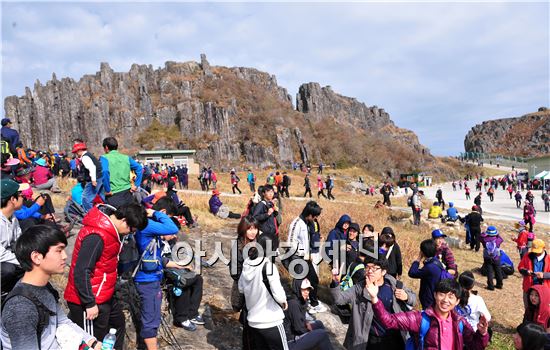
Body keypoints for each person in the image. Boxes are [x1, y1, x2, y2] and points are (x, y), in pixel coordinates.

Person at [0, 225, 101, 350]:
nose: (64, 256)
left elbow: (62, 321)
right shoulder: (20, 307)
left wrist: (92, 342)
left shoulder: (45, 287)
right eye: (59, 250)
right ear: (37, 257)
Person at [64, 203, 148, 350]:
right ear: (123, 220)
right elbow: (81, 271)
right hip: (89, 299)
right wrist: (89, 303)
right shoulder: (97, 236)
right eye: (130, 230)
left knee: (118, 322)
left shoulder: (112, 233)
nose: (129, 234)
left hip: (104, 294)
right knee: (94, 340)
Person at [367, 278, 490, 350]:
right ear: (435, 295)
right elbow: (389, 321)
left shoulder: (459, 322)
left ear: (457, 301)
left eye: (451, 297)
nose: (446, 300)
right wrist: (374, 299)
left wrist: (482, 333)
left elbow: (476, 346)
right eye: (442, 294)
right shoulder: (419, 319)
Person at [330, 253, 417, 350]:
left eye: (374, 268)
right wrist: (335, 283)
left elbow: (413, 298)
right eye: (367, 267)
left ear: (383, 272)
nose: (370, 271)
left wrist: (406, 296)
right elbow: (338, 299)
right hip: (370, 339)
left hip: (395, 336)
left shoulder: (393, 284)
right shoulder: (359, 288)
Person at [134, 198, 183, 349]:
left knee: (151, 317)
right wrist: (155, 213)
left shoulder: (148, 228)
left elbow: (156, 257)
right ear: (163, 213)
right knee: (150, 319)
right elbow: (171, 228)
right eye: (168, 216)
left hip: (150, 279)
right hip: (147, 281)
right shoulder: (147, 225)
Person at [238, 235, 288, 350]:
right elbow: (279, 295)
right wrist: (284, 302)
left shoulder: (247, 263)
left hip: (253, 322)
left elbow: (241, 288)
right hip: (271, 322)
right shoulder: (269, 266)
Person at [284, 201, 325, 314]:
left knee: (314, 280)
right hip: (297, 257)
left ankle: (312, 303)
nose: (316, 218)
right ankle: (297, 310)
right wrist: (303, 253)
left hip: (306, 258)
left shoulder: (308, 223)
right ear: (309, 214)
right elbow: (290, 243)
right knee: (298, 285)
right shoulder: (296, 223)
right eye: (315, 216)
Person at [230, 216, 259, 350]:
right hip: (246, 288)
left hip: (259, 288)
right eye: (249, 229)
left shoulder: (260, 243)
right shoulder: (238, 245)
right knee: (248, 324)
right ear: (243, 230)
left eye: (255, 228)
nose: (253, 232)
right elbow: (235, 272)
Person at [284, 279, 333, 350]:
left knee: (319, 324)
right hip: (290, 342)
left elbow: (300, 319)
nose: (307, 292)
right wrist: (309, 331)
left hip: (295, 333)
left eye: (308, 289)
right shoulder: (293, 304)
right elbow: (299, 329)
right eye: (304, 289)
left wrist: (306, 323)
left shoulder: (299, 300)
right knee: (322, 334)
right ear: (297, 289)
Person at [1, 179, 30, 295]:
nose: (23, 197)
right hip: (2, 260)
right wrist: (22, 261)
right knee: (8, 269)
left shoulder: (12, 218)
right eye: (20, 195)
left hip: (6, 256)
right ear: (12, 200)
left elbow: (18, 239)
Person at [101, 137, 143, 208]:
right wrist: (136, 185)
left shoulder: (104, 158)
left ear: (106, 147)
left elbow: (105, 172)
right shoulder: (126, 158)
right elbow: (139, 168)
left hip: (114, 195)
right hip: (128, 194)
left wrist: (107, 189)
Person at [408, 239, 449, 309]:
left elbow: (412, 273)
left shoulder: (430, 267)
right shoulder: (436, 262)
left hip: (429, 300)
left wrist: (418, 259)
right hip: (434, 297)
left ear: (423, 252)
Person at [71, 142, 103, 212]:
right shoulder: (89, 155)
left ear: (79, 150)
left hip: (94, 179)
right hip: (100, 177)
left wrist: (93, 180)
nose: (76, 154)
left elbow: (92, 168)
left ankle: (91, 215)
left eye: (76, 152)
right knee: (102, 197)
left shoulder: (85, 157)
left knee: (86, 198)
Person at [518, 239, 550, 308]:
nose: (536, 253)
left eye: (538, 251)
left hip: (544, 291)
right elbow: (520, 267)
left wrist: (544, 275)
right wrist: (526, 271)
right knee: (528, 311)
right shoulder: (527, 256)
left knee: (542, 311)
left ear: (544, 248)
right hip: (529, 289)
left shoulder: (549, 259)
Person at [479, 226, 504, 290]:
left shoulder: (485, 239)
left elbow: (480, 237)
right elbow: (502, 239)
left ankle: (490, 286)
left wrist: (483, 233)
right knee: (498, 271)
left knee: (489, 272)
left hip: (487, 257)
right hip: (496, 257)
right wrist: (497, 234)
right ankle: (499, 284)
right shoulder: (497, 240)